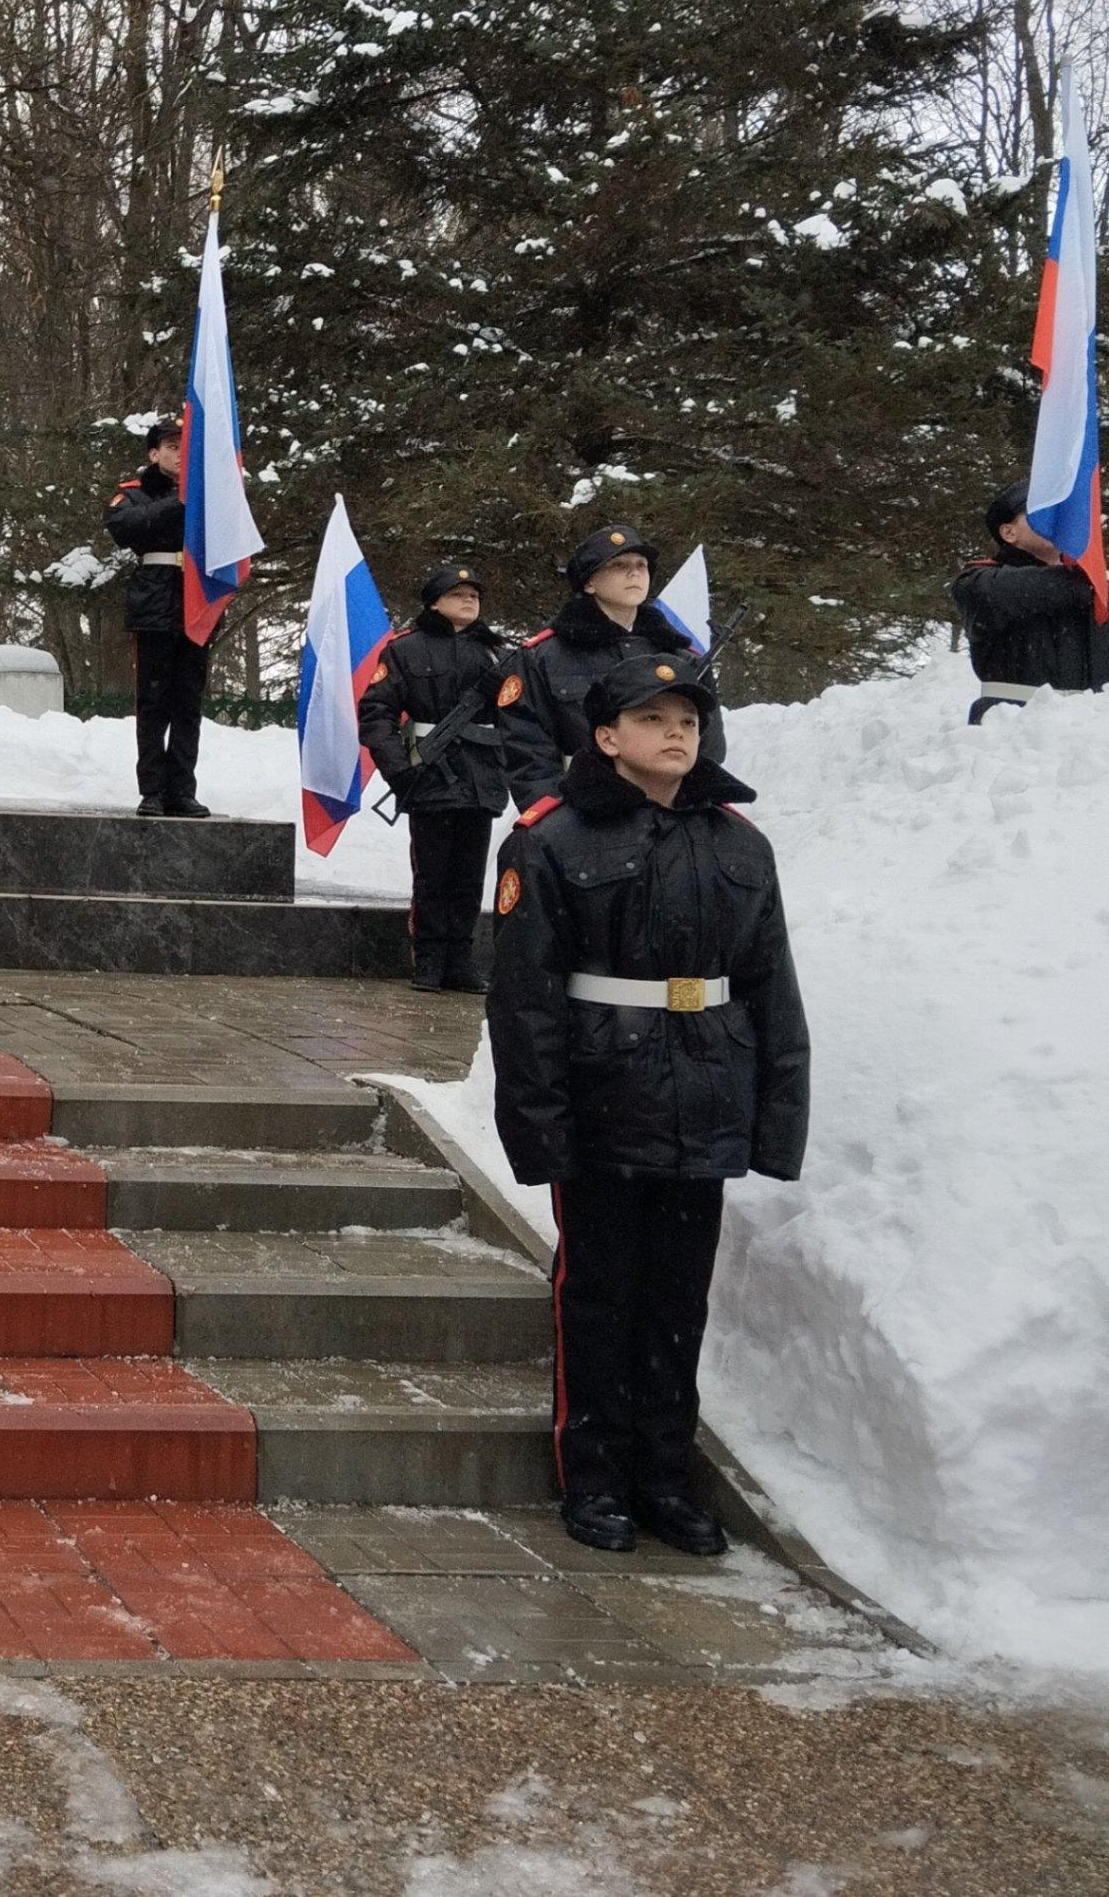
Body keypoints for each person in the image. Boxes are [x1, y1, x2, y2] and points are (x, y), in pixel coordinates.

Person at [486, 652, 809, 1558]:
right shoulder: (548, 841)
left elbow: (770, 985)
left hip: (706, 1087)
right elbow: (523, 999)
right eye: (654, 718)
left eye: (689, 721)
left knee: (678, 1297)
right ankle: (592, 1477)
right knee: (598, 1294)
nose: (676, 733)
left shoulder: (740, 843)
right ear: (604, 736)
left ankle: (664, 1476)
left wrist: (775, 1117)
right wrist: (538, 1125)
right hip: (601, 1094)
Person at [358, 560, 512, 992]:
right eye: (459, 594)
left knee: (468, 875)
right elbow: (376, 712)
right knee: (432, 874)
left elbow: (517, 716)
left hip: (480, 775)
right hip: (429, 775)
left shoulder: (497, 655)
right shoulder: (405, 649)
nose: (469, 600)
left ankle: (460, 961)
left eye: (475, 596)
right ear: (434, 602)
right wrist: (398, 769)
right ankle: (428, 960)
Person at [496, 523, 718, 806]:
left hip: (669, 811)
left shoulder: (681, 655)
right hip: (583, 812)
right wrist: (555, 817)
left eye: (642, 565)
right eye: (618, 565)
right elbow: (527, 748)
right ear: (589, 582)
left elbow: (708, 741)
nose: (634, 572)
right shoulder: (542, 656)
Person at [950, 489, 1109, 724]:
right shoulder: (978, 583)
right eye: (1042, 512)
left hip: (1095, 739)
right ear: (1009, 532)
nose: (1058, 519)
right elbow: (1027, 589)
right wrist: (1087, 579)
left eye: (1063, 512)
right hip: (1010, 733)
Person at [104, 419, 213, 817]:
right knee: (153, 703)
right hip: (154, 602)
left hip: (196, 603)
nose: (180, 452)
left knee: (188, 704)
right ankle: (151, 789)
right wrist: (179, 501)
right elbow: (125, 527)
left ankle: (182, 790)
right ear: (154, 454)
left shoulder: (206, 494)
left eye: (185, 446)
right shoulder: (133, 495)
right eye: (171, 446)